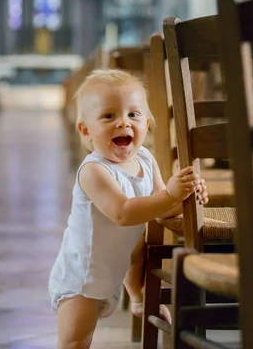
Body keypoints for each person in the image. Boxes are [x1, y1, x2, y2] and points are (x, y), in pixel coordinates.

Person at [49, 69, 209, 348]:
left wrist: (185, 197)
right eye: (109, 116)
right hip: (81, 276)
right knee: (75, 342)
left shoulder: (146, 159)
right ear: (86, 130)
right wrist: (170, 194)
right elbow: (124, 213)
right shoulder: (94, 171)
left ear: (146, 123)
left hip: (117, 262)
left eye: (133, 115)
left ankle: (137, 296)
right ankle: (134, 296)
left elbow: (160, 208)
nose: (123, 123)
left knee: (139, 245)